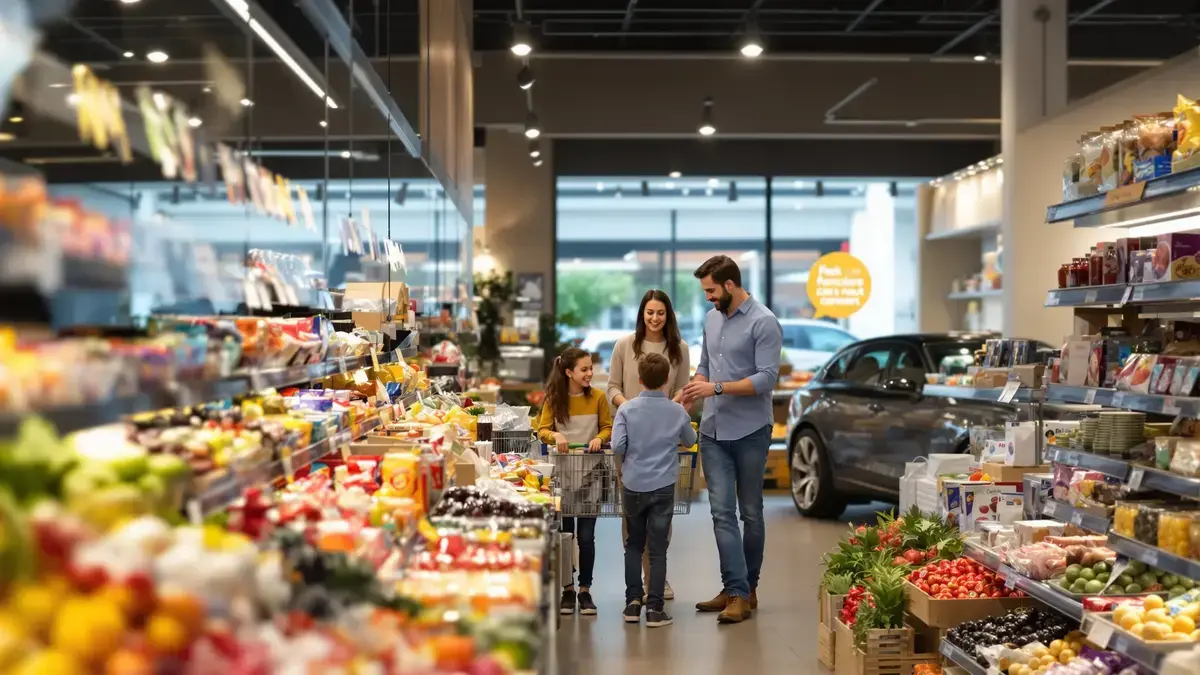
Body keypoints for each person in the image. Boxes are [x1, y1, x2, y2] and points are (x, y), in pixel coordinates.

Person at [680, 255, 782, 625]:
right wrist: (694, 388)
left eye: (710, 290)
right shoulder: (711, 319)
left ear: (729, 285)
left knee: (750, 512)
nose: (707, 297)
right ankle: (735, 590)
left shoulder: (764, 322)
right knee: (721, 512)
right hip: (712, 430)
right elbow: (705, 365)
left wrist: (717, 388)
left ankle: (748, 589)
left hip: (751, 430)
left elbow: (767, 379)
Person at [607, 289, 690, 599]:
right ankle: (638, 582)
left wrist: (664, 411)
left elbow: (683, 389)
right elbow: (612, 387)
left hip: (662, 441)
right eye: (650, 312)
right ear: (642, 313)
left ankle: (654, 579)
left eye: (661, 313)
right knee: (631, 517)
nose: (655, 318)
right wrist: (631, 409)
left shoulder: (679, 348)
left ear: (669, 315)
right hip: (628, 442)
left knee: (661, 517)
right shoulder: (624, 345)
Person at [612, 353, 696, 628]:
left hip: (633, 484)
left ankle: (632, 603)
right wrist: (684, 413)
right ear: (667, 380)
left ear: (639, 380)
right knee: (658, 549)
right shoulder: (677, 411)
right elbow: (690, 440)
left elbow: (618, 445)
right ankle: (655, 609)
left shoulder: (626, 410)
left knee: (634, 545)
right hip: (663, 486)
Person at [534, 347, 612, 616]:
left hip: (591, 475)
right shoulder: (554, 400)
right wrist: (555, 436)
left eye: (591, 368)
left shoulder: (598, 397)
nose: (590, 373)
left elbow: (607, 426)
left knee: (587, 537)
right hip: (562, 477)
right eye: (584, 369)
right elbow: (542, 430)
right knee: (565, 536)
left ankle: (585, 590)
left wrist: (600, 438)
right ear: (569, 372)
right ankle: (567, 589)